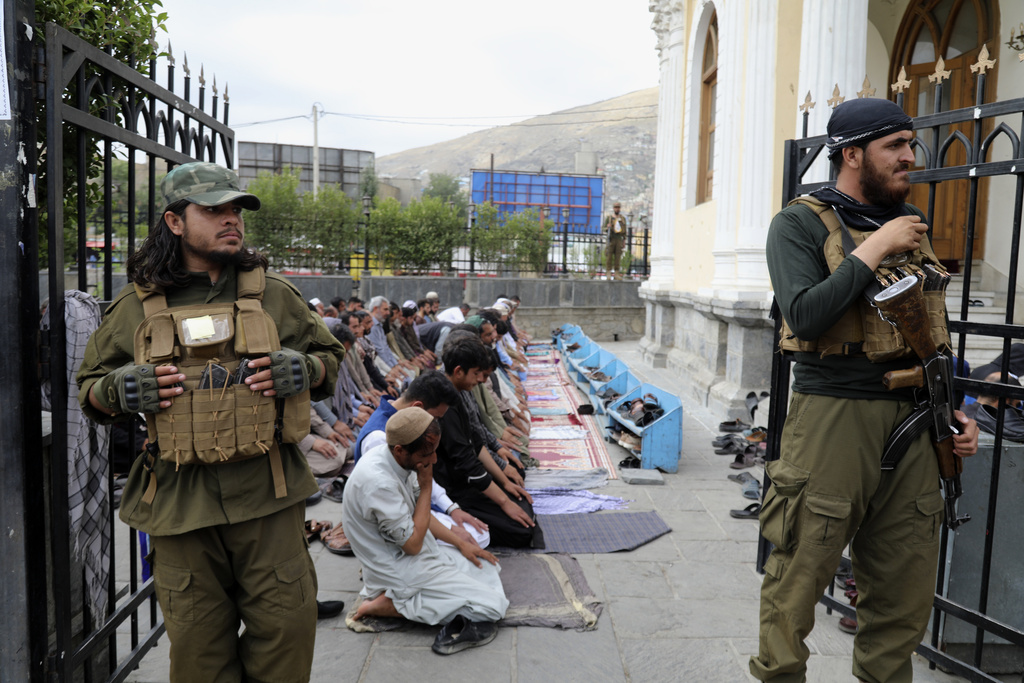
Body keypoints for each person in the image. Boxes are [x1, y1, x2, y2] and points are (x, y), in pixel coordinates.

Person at [76, 161, 345, 682]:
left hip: (268, 496)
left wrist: (305, 369)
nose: (232, 220)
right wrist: (119, 388)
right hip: (180, 505)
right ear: (176, 222)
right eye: (214, 209)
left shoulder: (274, 295)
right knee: (200, 655)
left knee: (288, 638)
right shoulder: (135, 306)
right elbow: (90, 391)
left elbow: (328, 361)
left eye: (236, 210)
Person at [754, 98, 980, 683]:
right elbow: (803, 315)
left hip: (916, 420)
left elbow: (931, 332)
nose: (911, 157)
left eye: (910, 145)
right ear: (852, 154)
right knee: (799, 576)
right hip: (835, 417)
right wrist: (873, 248)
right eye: (896, 147)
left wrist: (958, 409)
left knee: (903, 592)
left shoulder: (909, 224)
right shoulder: (798, 223)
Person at [342, 407, 508, 655]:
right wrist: (427, 484)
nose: (433, 460)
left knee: (486, 568)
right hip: (397, 566)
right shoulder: (379, 482)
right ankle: (389, 605)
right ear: (400, 450)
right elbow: (412, 545)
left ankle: (404, 599)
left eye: (434, 451)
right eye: (427, 454)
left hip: (415, 553)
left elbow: (422, 513)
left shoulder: (399, 460)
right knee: (492, 607)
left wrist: (462, 544)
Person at [353, 370, 490, 547]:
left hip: (413, 508)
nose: (436, 424)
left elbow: (419, 481)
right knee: (472, 542)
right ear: (417, 408)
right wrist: (449, 530)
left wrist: (451, 508)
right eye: (435, 418)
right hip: (394, 526)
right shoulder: (379, 439)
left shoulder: (400, 422)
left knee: (479, 535)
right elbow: (397, 507)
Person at [436, 336, 542, 548]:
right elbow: (466, 459)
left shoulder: (461, 391)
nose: (480, 381)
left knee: (516, 493)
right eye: (477, 374)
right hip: (451, 486)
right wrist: (502, 501)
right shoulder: (443, 401)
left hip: (467, 477)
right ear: (458, 371)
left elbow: (476, 441)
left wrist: (503, 481)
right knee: (521, 531)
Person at [962, 365, 1024, 441]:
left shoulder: (960, 413)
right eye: (1016, 404)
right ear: (1005, 400)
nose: (1016, 408)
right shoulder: (1001, 427)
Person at [603, 201, 627, 278]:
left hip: (619, 239)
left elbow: (624, 231)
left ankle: (617, 273)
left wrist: (624, 241)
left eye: (618, 207)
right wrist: (607, 227)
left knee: (618, 257)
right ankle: (608, 272)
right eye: (616, 207)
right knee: (609, 256)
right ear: (613, 208)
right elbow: (603, 228)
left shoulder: (622, 219)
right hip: (611, 238)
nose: (617, 209)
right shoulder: (609, 218)